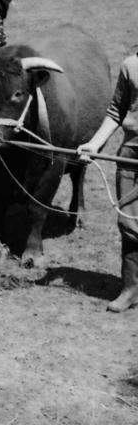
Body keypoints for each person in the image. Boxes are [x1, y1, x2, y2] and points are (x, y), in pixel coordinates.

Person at [77, 53, 138, 312]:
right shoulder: (131, 65)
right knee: (129, 222)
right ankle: (131, 289)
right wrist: (94, 143)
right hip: (131, 155)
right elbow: (116, 111)